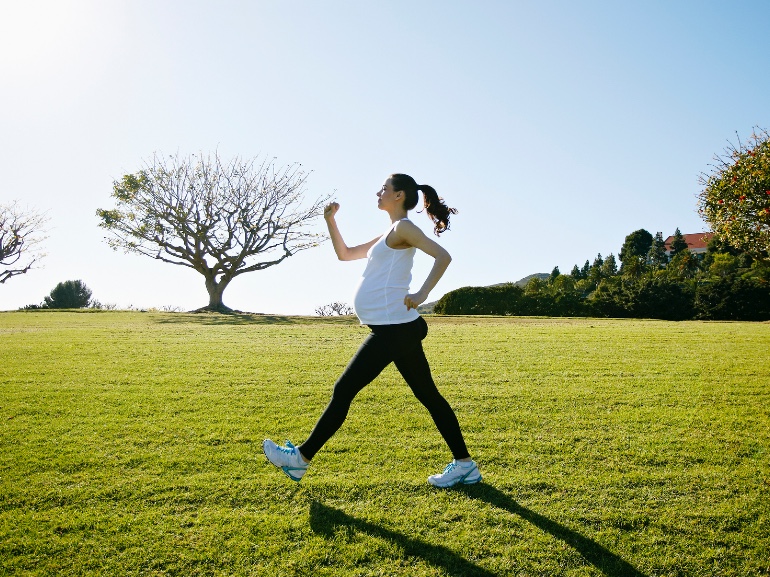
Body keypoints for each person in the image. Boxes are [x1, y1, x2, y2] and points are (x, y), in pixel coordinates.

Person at [263, 173, 481, 488]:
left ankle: (300, 459)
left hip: (393, 328)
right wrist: (330, 221)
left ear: (399, 196)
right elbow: (346, 254)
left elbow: (443, 257)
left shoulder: (404, 227)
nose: (378, 192)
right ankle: (465, 465)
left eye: (384, 188)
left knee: (344, 389)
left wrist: (421, 295)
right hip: (395, 329)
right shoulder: (389, 233)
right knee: (428, 395)